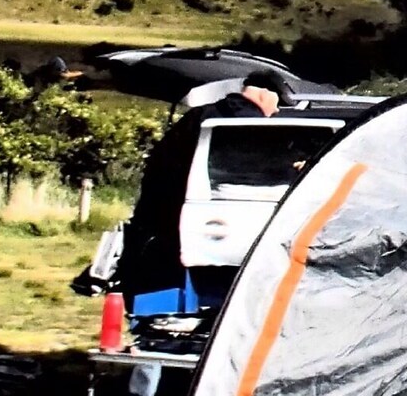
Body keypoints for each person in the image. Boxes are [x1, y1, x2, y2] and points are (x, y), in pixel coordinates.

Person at [101, 70, 286, 297]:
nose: (277, 110)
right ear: (265, 94)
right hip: (224, 224)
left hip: (165, 219)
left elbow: (158, 164)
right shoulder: (255, 128)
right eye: (279, 102)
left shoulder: (197, 116)